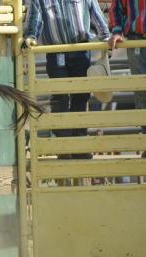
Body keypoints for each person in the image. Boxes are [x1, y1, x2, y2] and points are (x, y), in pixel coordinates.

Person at [23, 0, 110, 159]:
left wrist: (106, 37)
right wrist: (31, 35)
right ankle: (63, 145)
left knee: (81, 96)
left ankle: (78, 146)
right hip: (56, 52)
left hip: (81, 50)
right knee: (60, 96)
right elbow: (35, 18)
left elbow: (96, 15)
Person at [108, 0, 146, 158]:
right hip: (136, 40)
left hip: (137, 42)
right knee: (142, 95)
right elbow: (116, 8)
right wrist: (117, 31)